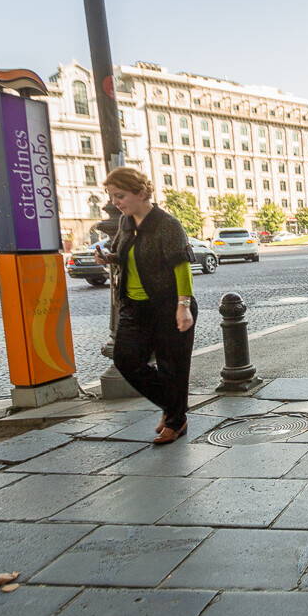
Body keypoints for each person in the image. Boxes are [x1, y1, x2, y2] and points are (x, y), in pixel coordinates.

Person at [95, 166, 197, 445]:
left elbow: (182, 266)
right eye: (112, 196)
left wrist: (183, 305)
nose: (115, 202)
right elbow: (125, 255)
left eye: (120, 195)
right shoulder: (126, 223)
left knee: (171, 367)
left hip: (169, 305)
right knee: (126, 360)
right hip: (134, 307)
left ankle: (176, 421)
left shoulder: (167, 224)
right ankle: (174, 407)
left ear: (141, 193)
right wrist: (110, 259)